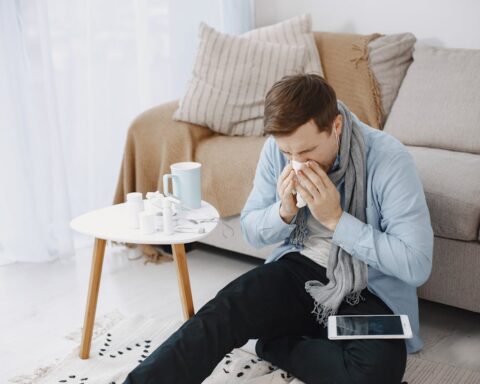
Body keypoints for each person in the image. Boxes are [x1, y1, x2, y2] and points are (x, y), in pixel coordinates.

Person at [123, 74, 434, 384]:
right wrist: (284, 211)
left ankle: (277, 342)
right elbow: (252, 230)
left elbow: (416, 265)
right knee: (222, 312)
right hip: (299, 270)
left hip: (368, 286)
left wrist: (337, 220)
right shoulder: (277, 150)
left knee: (377, 371)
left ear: (335, 127)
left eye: (307, 151)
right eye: (288, 153)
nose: (296, 162)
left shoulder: (389, 160)